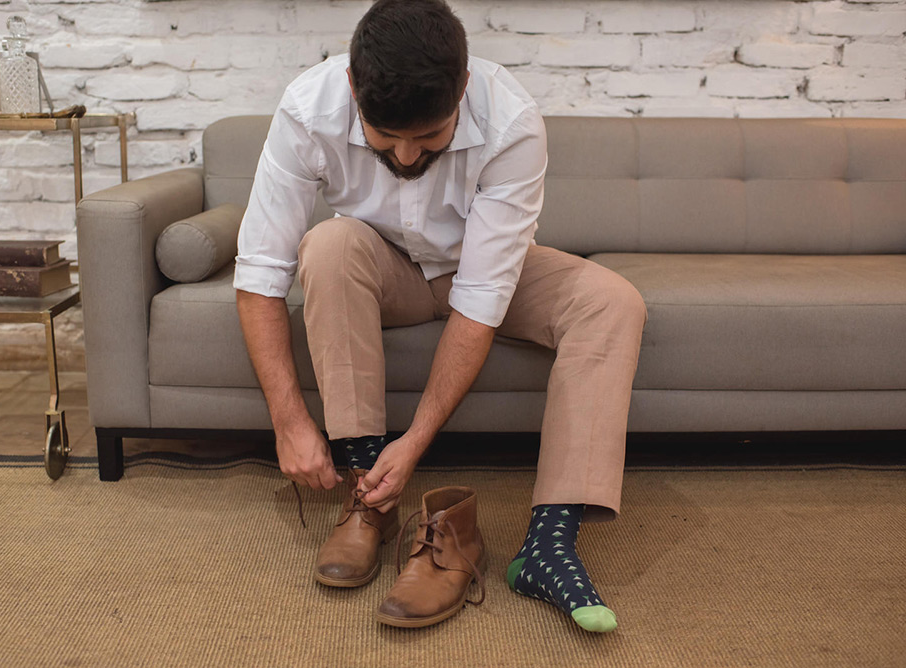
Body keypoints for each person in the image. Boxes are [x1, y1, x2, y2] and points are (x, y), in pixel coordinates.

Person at [234, 0, 646, 633]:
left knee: (611, 301)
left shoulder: (511, 121)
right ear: (352, 87)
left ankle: (548, 546)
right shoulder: (307, 108)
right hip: (381, 267)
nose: (405, 157)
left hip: (476, 266)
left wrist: (416, 441)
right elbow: (261, 270)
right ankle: (370, 498)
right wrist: (288, 422)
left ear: (463, 89)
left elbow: (481, 295)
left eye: (429, 138)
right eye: (384, 138)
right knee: (329, 242)